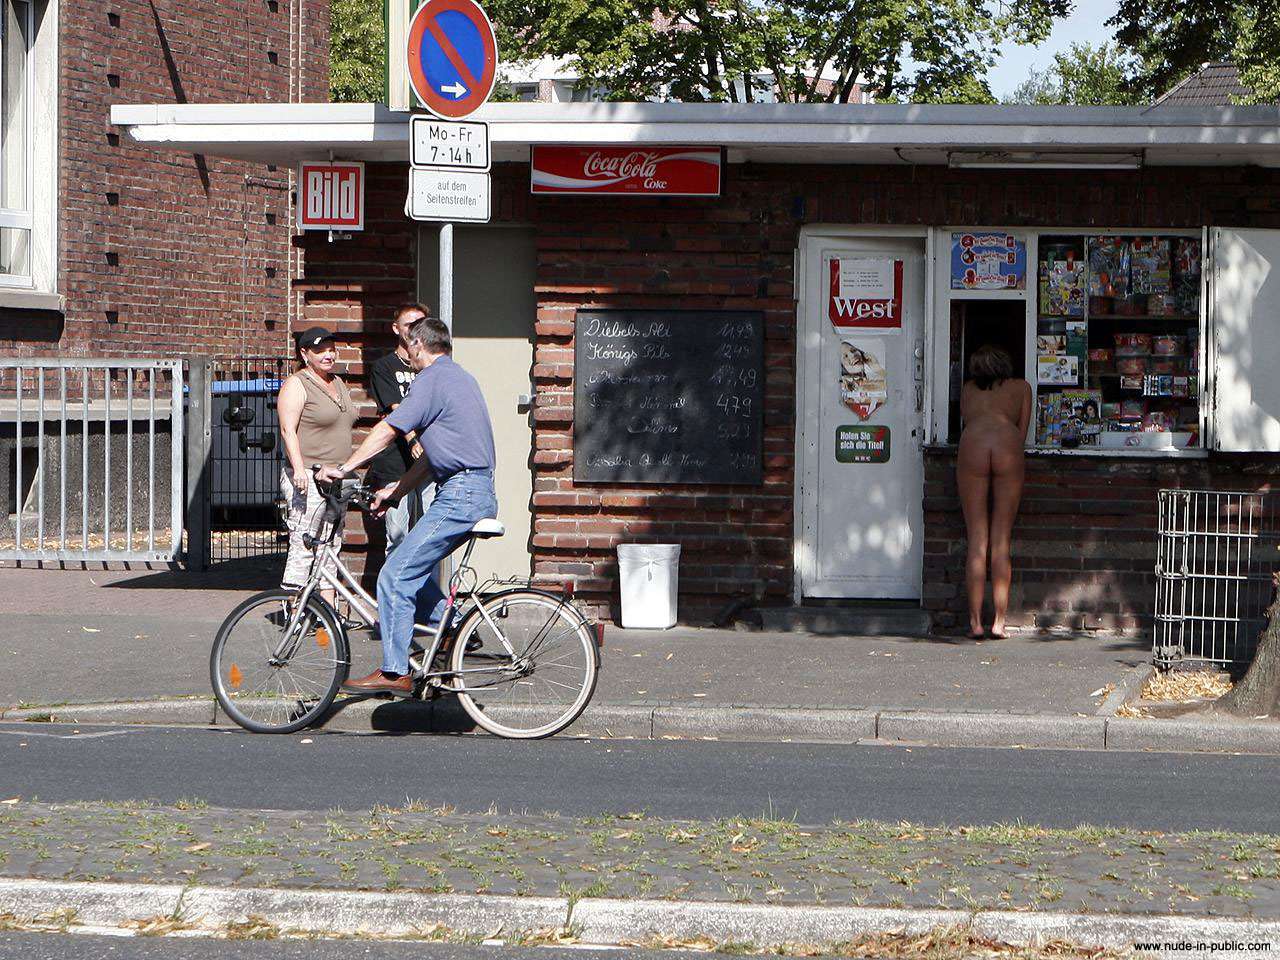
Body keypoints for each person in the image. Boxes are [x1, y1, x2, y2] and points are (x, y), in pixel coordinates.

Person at [320, 314, 497, 696]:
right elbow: (432, 458)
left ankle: (394, 670)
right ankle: (452, 630)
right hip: (473, 490)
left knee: (393, 575)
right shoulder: (461, 378)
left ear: (418, 345)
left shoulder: (430, 380)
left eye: (408, 345)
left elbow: (388, 429)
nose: (406, 353)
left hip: (460, 494)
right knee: (411, 572)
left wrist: (345, 468)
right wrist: (397, 492)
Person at [276, 327, 358, 600]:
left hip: (337, 477)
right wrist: (299, 469)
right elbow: (287, 430)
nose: (328, 355)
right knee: (304, 542)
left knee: (330, 544)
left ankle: (327, 612)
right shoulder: (297, 384)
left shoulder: (338, 383)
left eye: (331, 349)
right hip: (309, 477)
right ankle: (294, 610)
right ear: (305, 353)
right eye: (320, 350)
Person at [957, 344, 1032, 640]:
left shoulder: (968, 389)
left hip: (973, 443)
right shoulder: (1022, 388)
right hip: (1007, 444)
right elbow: (1022, 433)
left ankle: (975, 622)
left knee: (977, 539)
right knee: (1001, 540)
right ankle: (999, 622)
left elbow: (965, 419)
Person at [368, 303, 431, 553]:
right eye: (409, 325)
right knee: (397, 535)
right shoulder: (385, 367)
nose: (415, 330)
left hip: (429, 459)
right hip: (396, 461)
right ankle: (395, 580)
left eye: (420, 325)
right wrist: (412, 439)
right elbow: (396, 410)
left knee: (429, 535)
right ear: (396, 329)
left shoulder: (431, 366)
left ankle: (425, 580)